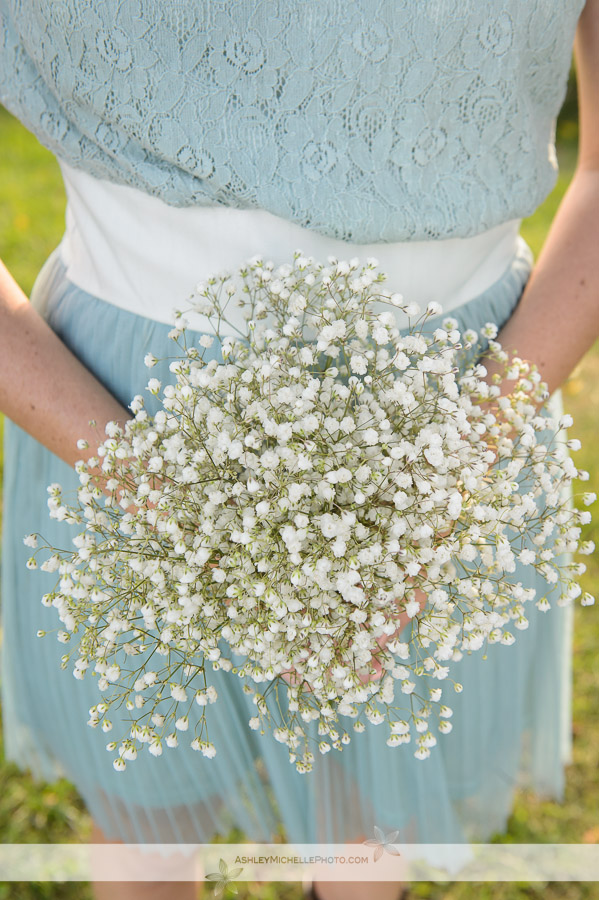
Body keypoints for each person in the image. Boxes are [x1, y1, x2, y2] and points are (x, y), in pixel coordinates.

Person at [1, 2, 598, 899]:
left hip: (457, 406)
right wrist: (163, 496)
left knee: (369, 826)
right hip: (120, 410)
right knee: (149, 828)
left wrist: (455, 472)